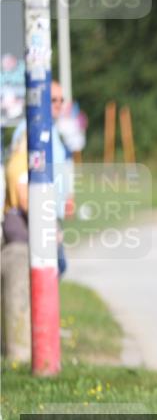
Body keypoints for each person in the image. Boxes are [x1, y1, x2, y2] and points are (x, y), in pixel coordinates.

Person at [9, 80, 71, 276]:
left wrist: (67, 195)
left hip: (49, 213)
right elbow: (22, 178)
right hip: (37, 216)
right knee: (52, 269)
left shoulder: (52, 130)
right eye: (53, 99)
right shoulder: (31, 129)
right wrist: (46, 222)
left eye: (62, 99)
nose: (59, 103)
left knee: (56, 268)